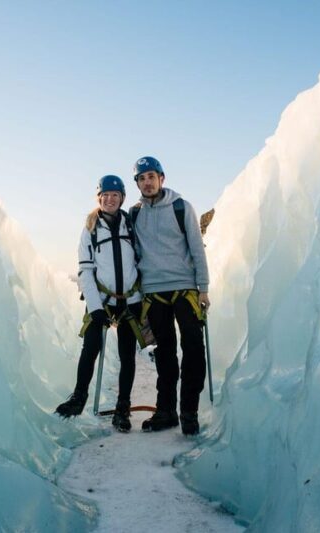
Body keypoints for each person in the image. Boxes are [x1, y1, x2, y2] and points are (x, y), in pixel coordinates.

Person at [55, 175, 143, 432]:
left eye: (115, 194)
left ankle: (123, 408)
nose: (110, 198)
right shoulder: (90, 229)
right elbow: (85, 270)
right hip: (101, 300)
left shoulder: (130, 224)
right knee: (91, 347)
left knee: (128, 355)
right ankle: (78, 398)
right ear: (99, 198)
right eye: (105, 194)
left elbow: (139, 262)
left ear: (122, 198)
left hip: (128, 300)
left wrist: (138, 300)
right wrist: (94, 307)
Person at [130, 156, 210, 436]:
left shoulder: (181, 207)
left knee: (193, 349)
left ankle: (189, 411)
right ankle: (166, 412)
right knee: (165, 354)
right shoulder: (135, 214)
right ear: (137, 183)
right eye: (142, 178)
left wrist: (203, 287)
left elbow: (197, 248)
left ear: (162, 178)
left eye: (152, 176)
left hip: (185, 288)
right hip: (154, 292)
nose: (147, 182)